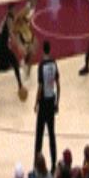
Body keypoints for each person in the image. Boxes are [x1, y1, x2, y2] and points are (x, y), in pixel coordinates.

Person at [34, 41, 60, 171]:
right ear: (49, 50)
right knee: (51, 135)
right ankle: (54, 164)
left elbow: (40, 87)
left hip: (43, 102)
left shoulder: (41, 66)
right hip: (51, 101)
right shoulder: (54, 63)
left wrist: (36, 103)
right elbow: (58, 85)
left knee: (39, 135)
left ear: (42, 51)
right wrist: (57, 103)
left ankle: (36, 165)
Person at [13, 0, 40, 78]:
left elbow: (26, 20)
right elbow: (17, 18)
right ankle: (26, 69)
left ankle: (24, 62)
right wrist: (15, 34)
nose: (37, 1)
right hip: (21, 31)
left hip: (26, 30)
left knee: (34, 48)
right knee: (32, 49)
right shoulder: (27, 8)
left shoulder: (32, 7)